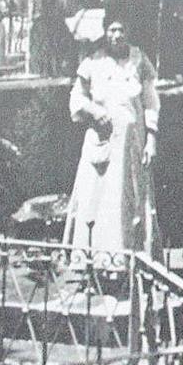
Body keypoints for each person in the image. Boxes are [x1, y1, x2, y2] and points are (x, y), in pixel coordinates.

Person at [64, 15, 161, 257]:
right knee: (97, 199)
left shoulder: (139, 60)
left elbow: (150, 102)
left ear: (128, 32)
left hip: (132, 144)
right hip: (102, 142)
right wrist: (95, 111)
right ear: (105, 31)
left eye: (121, 30)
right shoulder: (93, 61)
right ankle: (94, 257)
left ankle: (130, 256)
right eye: (112, 30)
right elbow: (77, 98)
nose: (116, 36)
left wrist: (151, 139)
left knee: (128, 198)